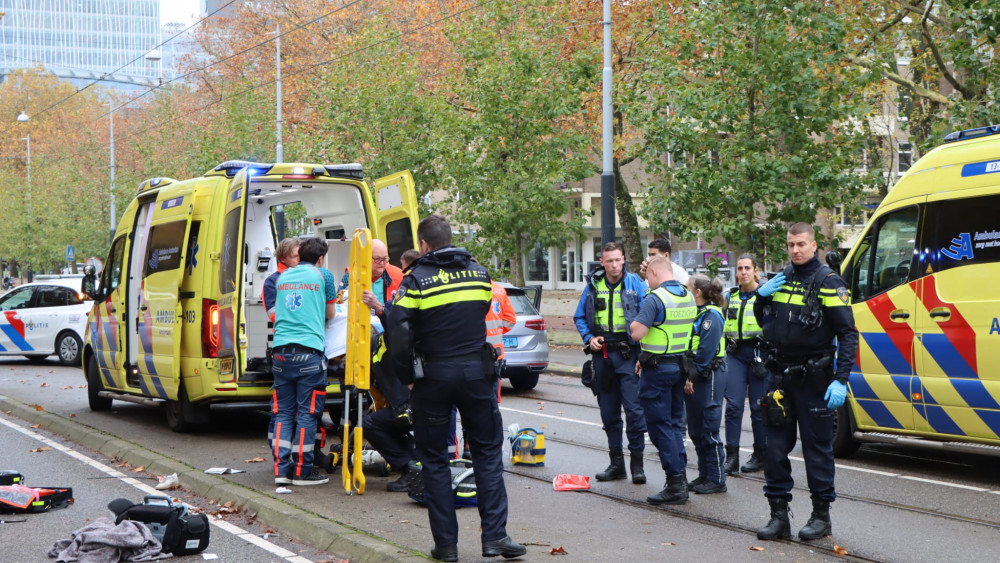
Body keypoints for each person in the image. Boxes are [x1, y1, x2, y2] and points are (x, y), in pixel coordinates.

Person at [387, 215, 525, 562]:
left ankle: (446, 547)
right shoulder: (480, 275)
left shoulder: (415, 280)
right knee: (488, 455)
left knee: (434, 461)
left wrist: (406, 374)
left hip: (433, 376)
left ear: (423, 244)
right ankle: (495, 537)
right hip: (477, 375)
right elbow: (478, 313)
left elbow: (398, 330)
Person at [753, 222, 858, 541]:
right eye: (790, 244)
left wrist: (841, 380)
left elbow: (848, 334)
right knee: (773, 449)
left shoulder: (829, 281)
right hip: (781, 376)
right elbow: (766, 322)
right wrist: (759, 297)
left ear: (814, 246)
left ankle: (821, 517)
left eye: (801, 244)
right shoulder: (781, 279)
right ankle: (778, 516)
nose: (795, 250)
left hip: (815, 379)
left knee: (817, 450)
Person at [573, 242, 649, 484]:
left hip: (629, 355)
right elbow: (579, 317)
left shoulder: (636, 284)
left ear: (623, 260)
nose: (614, 265)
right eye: (610, 261)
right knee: (609, 412)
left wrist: (644, 355)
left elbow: (650, 315)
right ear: (602, 262)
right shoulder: (593, 285)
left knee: (635, 412)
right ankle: (617, 464)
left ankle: (637, 465)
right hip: (603, 355)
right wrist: (589, 338)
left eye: (618, 260)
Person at [628, 257, 696, 505]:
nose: (647, 280)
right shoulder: (687, 295)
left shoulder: (655, 298)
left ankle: (675, 482)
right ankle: (681, 478)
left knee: (659, 427)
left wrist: (633, 318)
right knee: (675, 424)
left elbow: (637, 333)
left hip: (657, 371)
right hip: (679, 367)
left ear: (655, 272)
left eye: (648, 276)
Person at [271, 237, 338, 486]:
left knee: (283, 413)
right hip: (308, 353)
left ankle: (281, 470)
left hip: (280, 353)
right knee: (308, 415)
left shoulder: (283, 277)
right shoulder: (323, 276)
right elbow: (330, 314)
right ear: (320, 259)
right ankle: (302, 471)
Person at [722, 254, 767, 475]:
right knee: (733, 407)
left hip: (759, 355)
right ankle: (731, 456)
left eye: (747, 268)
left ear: (755, 270)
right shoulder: (729, 296)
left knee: (759, 408)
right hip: (735, 354)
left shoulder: (764, 296)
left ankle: (760, 454)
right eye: (739, 268)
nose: (743, 272)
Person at [684, 274, 728, 494]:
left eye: (687, 288)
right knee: (696, 428)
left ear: (697, 292)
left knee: (709, 427)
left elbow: (706, 352)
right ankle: (704, 475)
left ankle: (718, 479)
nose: (685, 291)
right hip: (695, 374)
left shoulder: (712, 315)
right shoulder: (696, 312)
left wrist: (692, 376)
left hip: (708, 375)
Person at [360, 239, 403, 319]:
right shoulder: (351, 275)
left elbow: (403, 314)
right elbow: (339, 304)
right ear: (366, 257)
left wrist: (378, 307)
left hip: (388, 328)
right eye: (377, 259)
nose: (382, 263)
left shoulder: (399, 276)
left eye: (385, 259)